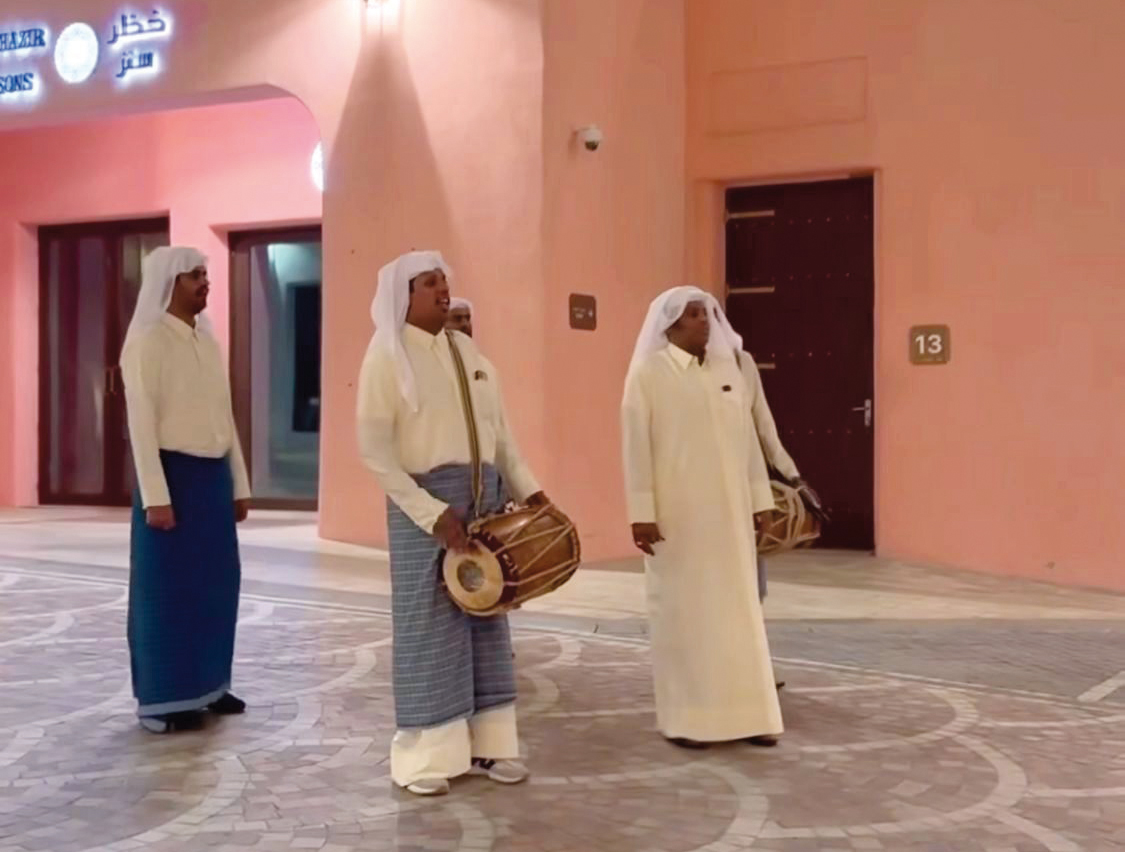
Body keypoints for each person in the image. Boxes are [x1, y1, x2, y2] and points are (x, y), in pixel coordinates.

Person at [356, 250, 548, 796]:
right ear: (404, 296)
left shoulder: (469, 351)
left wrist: (532, 493)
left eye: (445, 281)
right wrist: (431, 514)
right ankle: (424, 762)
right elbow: (375, 453)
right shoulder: (384, 359)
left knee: (489, 622)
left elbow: (501, 436)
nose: (443, 290)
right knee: (430, 630)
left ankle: (490, 750)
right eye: (429, 283)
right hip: (426, 510)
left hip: (482, 501)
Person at [621, 285, 782, 749]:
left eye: (707, 312)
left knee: (738, 616)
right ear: (669, 325)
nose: (703, 320)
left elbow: (747, 442)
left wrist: (760, 502)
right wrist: (641, 513)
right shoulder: (648, 376)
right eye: (692, 314)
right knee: (687, 618)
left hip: (730, 521)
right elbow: (636, 447)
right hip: (679, 521)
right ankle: (690, 721)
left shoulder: (727, 372)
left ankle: (750, 717)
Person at [120, 247, 251, 734]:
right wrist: (156, 495)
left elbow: (226, 418)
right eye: (194, 275)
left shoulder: (206, 342)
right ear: (169, 283)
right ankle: (161, 700)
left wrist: (238, 483)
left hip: (211, 480)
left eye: (205, 274)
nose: (204, 283)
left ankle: (211, 685)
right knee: (166, 591)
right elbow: (141, 425)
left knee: (217, 584)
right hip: (171, 481)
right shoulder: (148, 341)